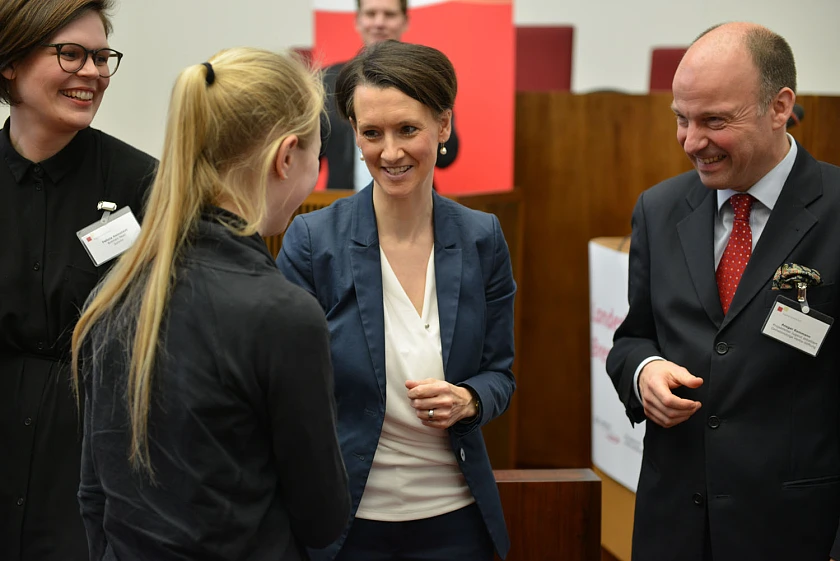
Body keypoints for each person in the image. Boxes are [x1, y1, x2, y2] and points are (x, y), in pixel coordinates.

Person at [70, 47, 350, 560]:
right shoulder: (281, 314)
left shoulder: (110, 294)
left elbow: (94, 496)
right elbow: (322, 515)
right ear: (287, 157)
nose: (314, 170)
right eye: (317, 154)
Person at [606, 22, 840, 561]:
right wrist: (643, 373)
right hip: (673, 528)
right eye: (681, 120)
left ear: (780, 106)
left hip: (796, 531)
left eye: (714, 121)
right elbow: (632, 339)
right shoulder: (659, 209)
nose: (691, 142)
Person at [278, 40, 515, 561]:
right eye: (371, 133)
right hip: (345, 524)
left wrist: (470, 401)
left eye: (408, 129)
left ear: (444, 125)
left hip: (456, 519)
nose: (389, 153)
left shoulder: (483, 237)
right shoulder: (312, 242)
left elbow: (500, 374)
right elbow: (282, 390)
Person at [0, 1, 157, 559]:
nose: (92, 72)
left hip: (94, 450)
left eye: (101, 57)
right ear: (11, 62)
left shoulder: (143, 183)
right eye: (70, 54)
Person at [321, 0, 459, 190]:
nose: (379, 23)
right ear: (358, 20)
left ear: (405, 21)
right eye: (371, 14)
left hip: (415, 203)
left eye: (389, 15)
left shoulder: (426, 76)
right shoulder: (328, 80)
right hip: (341, 203)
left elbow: (448, 155)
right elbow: (312, 154)